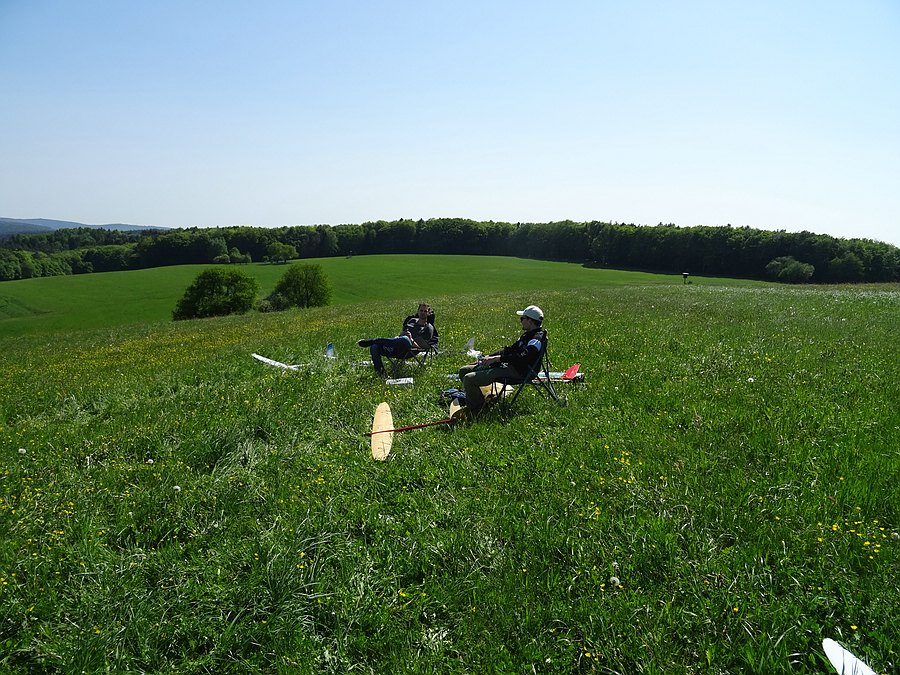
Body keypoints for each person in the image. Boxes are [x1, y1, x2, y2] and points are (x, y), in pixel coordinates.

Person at [458, 304, 546, 413]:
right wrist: (489, 357)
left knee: (469, 378)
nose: (521, 321)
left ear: (530, 321)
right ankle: (479, 399)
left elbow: (522, 359)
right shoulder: (527, 335)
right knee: (464, 371)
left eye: (522, 318)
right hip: (509, 366)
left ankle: (477, 411)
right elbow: (509, 350)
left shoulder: (536, 339)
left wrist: (498, 359)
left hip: (520, 372)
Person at [357, 303, 437, 375]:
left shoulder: (428, 328)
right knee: (374, 347)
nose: (422, 313)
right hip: (395, 348)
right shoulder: (412, 320)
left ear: (428, 313)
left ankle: (373, 340)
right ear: (418, 311)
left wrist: (410, 339)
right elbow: (402, 333)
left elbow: (421, 347)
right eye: (421, 310)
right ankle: (381, 374)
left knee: (405, 339)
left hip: (409, 350)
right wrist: (401, 335)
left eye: (425, 311)